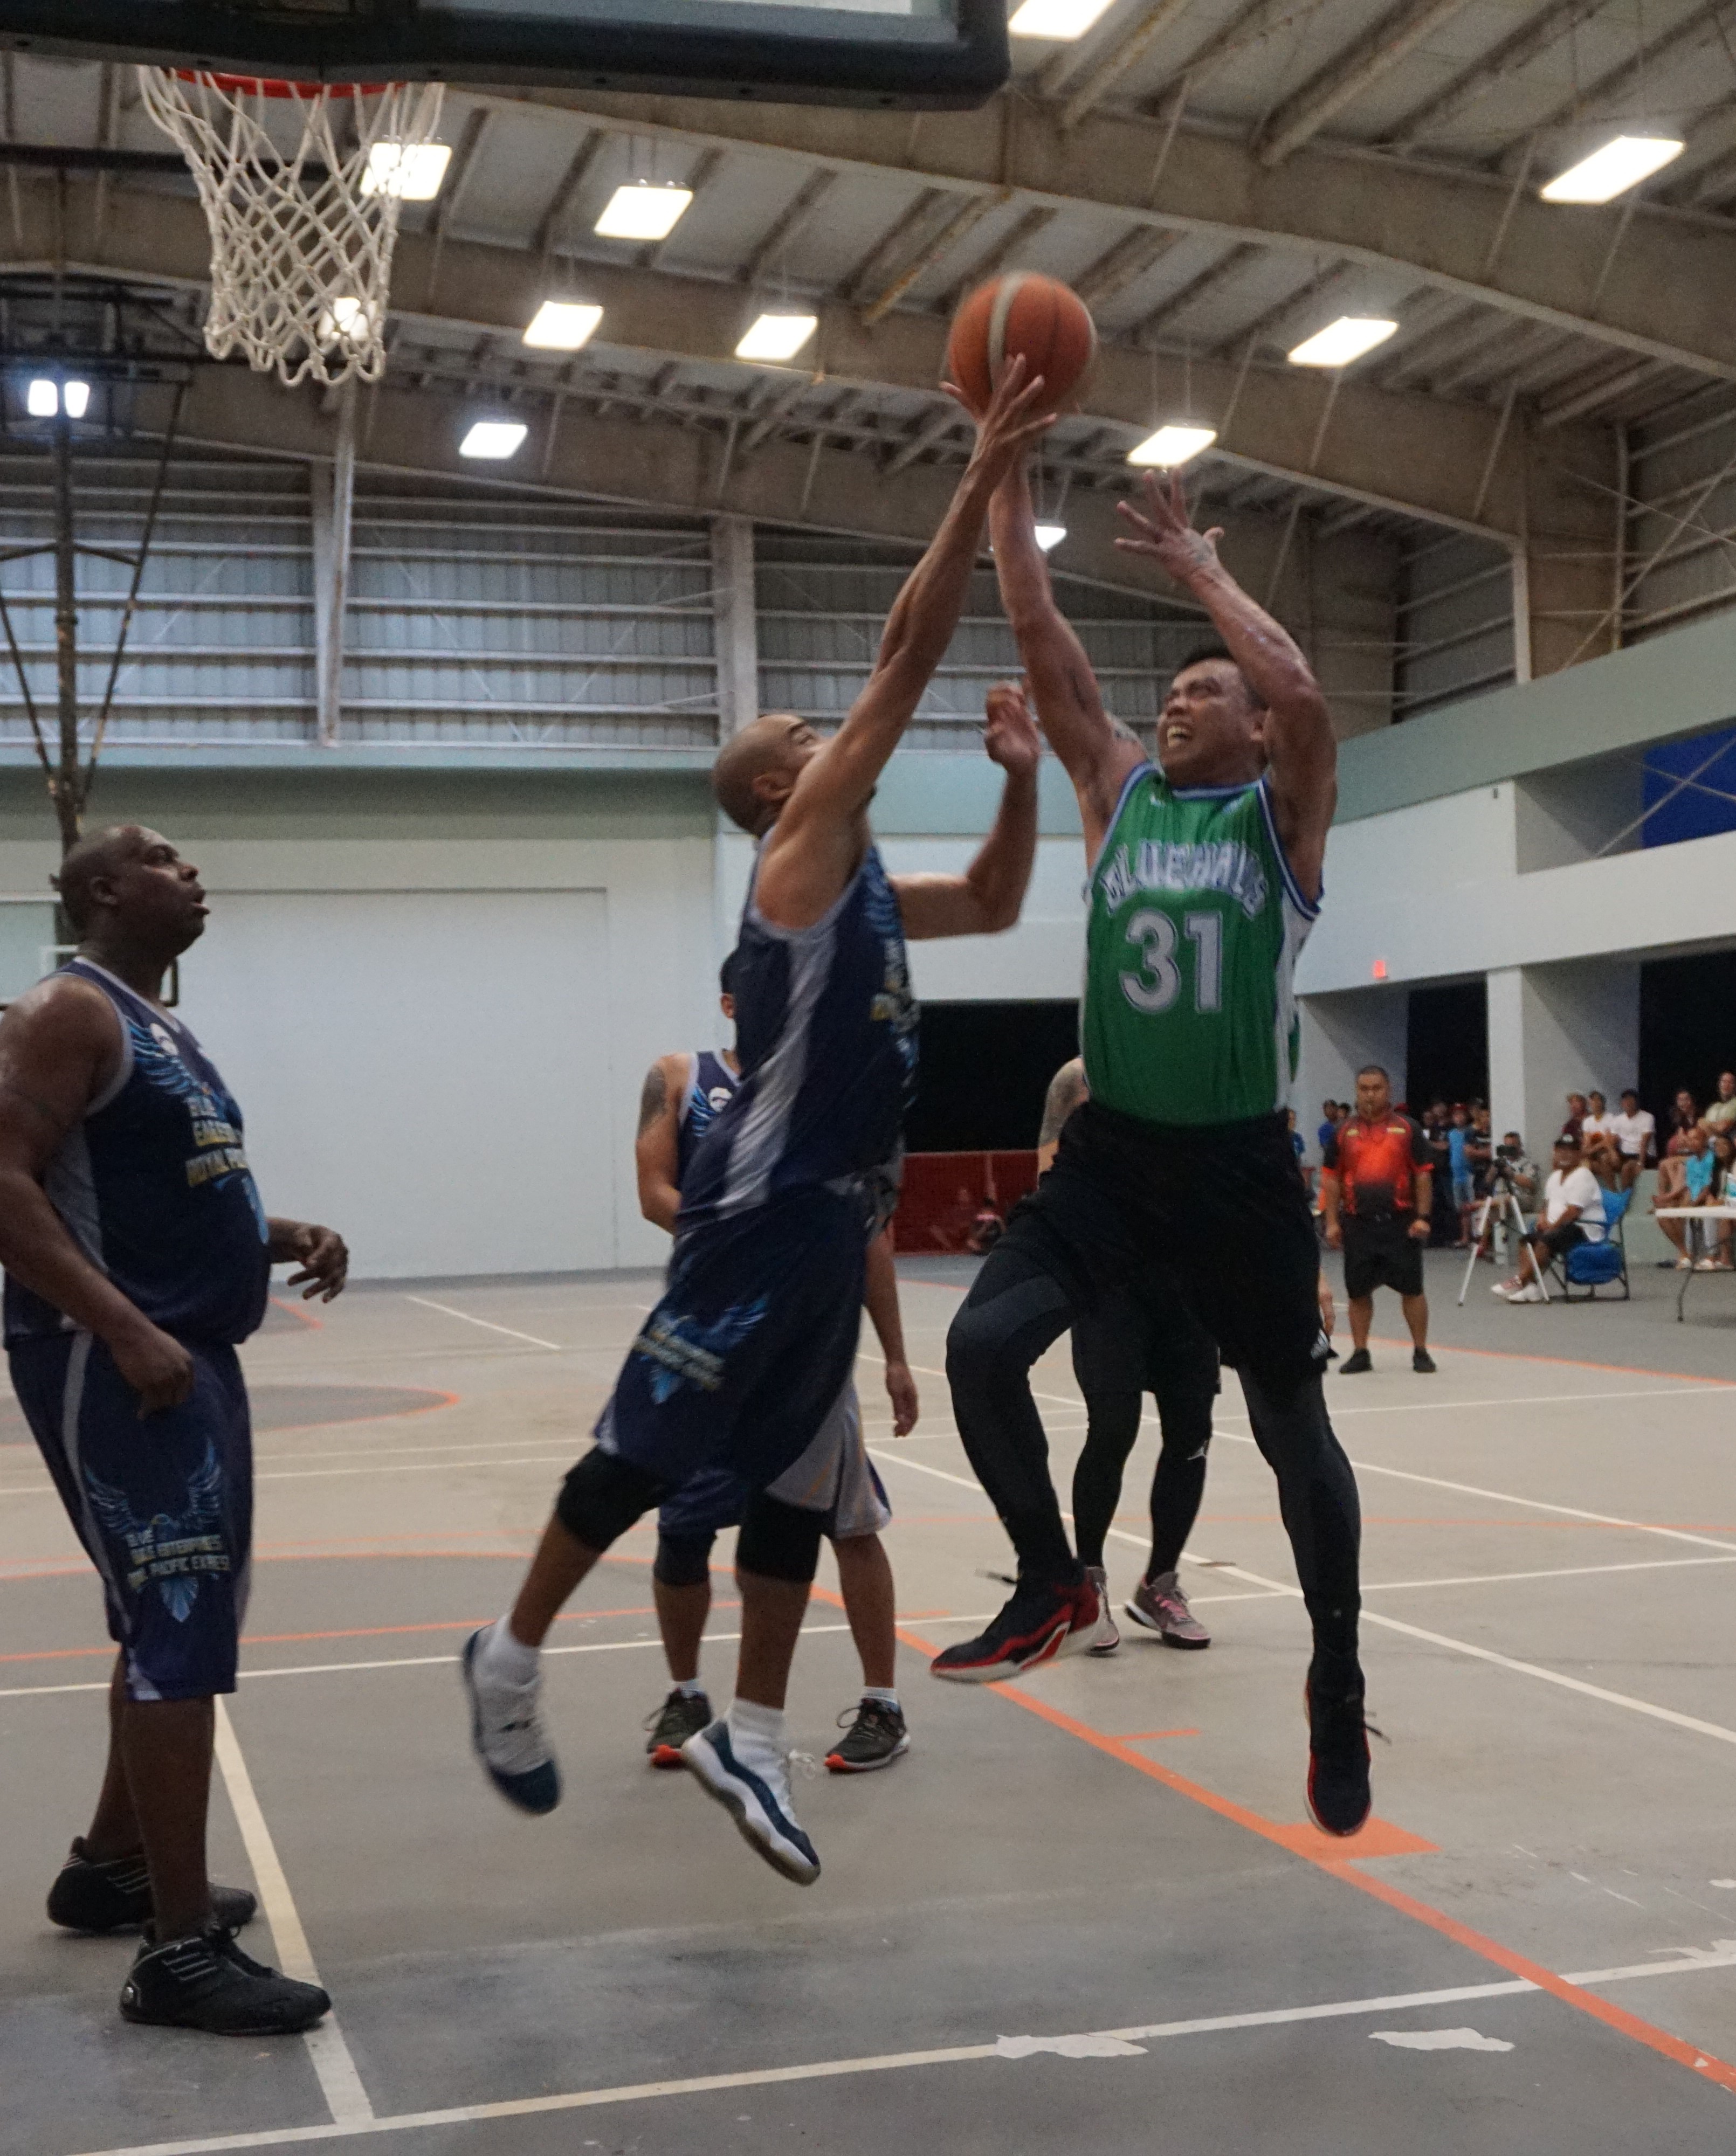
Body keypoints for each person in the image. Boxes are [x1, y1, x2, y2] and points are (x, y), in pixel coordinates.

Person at [458, 361, 1053, 1887]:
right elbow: (906, 649)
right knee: (643, 1460)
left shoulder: (863, 887)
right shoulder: (796, 852)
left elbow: (994, 902)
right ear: (783, 780)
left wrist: (1018, 785)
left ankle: (757, 1739)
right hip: (757, 1208)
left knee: (794, 1490)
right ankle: (511, 1661)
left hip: (834, 1214)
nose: (831, 730)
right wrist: (980, 472)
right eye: (810, 728)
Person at [939, 456, 1373, 1840]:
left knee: (1289, 1424)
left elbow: (1304, 695)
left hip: (1241, 1164)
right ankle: (1055, 1575)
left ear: (1251, 729)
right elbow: (1039, 634)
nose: (1179, 702)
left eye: (1206, 692)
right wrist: (999, 470)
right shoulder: (1118, 794)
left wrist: (1198, 566)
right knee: (978, 1350)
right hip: (1117, 1155)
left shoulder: (1282, 820)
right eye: (1171, 691)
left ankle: (1335, 1658)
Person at [0, 827, 347, 2036]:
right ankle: (177, 1948)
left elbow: (152, 1192)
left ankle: (113, 1863)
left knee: (171, 1609)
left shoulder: (158, 1028)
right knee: (178, 1618)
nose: (191, 869)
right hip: (121, 1358)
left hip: (181, 1348)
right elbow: (5, 1184)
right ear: (103, 888)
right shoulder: (66, 1011)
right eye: (163, 856)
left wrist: (278, 1229)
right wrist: (126, 1327)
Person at [632, 956, 915, 1775]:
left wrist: (896, 1354)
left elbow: (870, 1233)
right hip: (709, 1335)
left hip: (806, 1342)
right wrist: (746, 1239)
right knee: (683, 1525)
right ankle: (687, 1694)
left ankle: (883, 1705)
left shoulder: (832, 1091)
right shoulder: (680, 1076)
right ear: (729, 1003)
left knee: (848, 1521)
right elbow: (654, 1191)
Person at [1035, 1056, 1219, 1651]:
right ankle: (1087, 1583)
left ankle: (1159, 1583)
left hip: (1187, 1281)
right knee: (1112, 1428)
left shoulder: (1194, 1072)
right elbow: (1049, 1170)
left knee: (1191, 1431)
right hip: (1110, 1284)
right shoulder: (1077, 1078)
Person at [1320, 1066, 1436, 1375]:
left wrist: (1423, 1217)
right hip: (1359, 1224)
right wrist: (1332, 1221)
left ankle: (1421, 1351)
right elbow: (1331, 1178)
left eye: (1377, 1088)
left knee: (1412, 1290)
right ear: (1357, 1092)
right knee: (1358, 1292)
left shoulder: (1408, 1129)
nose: (1370, 1094)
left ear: (1388, 1091)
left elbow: (1423, 1174)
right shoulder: (1343, 1132)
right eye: (1364, 1088)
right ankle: (1361, 1352)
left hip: (1401, 1222)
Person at [1493, 1131, 1606, 1300]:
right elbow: (1546, 1206)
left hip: (1584, 1228)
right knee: (1527, 1240)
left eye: (1570, 1150)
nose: (1564, 1154)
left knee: (1546, 1240)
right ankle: (1532, 1288)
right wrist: (1543, 1220)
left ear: (1578, 1154)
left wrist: (1552, 1227)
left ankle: (1519, 1281)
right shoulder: (1554, 1177)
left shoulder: (1584, 1176)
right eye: (1561, 1150)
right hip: (1558, 1227)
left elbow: (1573, 1212)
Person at [1657, 1124, 1720, 1270]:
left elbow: (1708, 1186)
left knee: (1690, 1209)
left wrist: (1693, 1203)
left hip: (1708, 1198)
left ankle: (1710, 1257)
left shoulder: (1711, 1158)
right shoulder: (1691, 1161)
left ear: (1704, 1141)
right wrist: (1665, 1199)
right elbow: (1687, 1186)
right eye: (1690, 1140)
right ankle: (1686, 1253)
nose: (1692, 1143)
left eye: (1696, 1139)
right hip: (1692, 1198)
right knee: (1664, 1215)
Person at [1608, 1088, 1655, 1190]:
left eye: (1631, 1100)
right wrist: (1613, 1153)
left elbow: (1644, 1143)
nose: (1628, 1103)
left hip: (1643, 1155)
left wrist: (1640, 1163)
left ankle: (1625, 1196)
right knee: (1604, 1160)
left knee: (1626, 1168)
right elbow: (1612, 1141)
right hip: (1624, 1154)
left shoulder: (1647, 1117)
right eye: (1625, 1100)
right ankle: (1613, 1191)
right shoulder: (1618, 1120)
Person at [1703, 1071, 1736, 1139]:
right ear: (1719, 1084)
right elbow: (1702, 1127)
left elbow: (1723, 1128)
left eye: (1730, 1082)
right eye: (1724, 1082)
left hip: (1727, 1141)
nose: (1726, 1085)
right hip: (1709, 1142)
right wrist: (1715, 1126)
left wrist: (1709, 1126)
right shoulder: (1714, 1107)